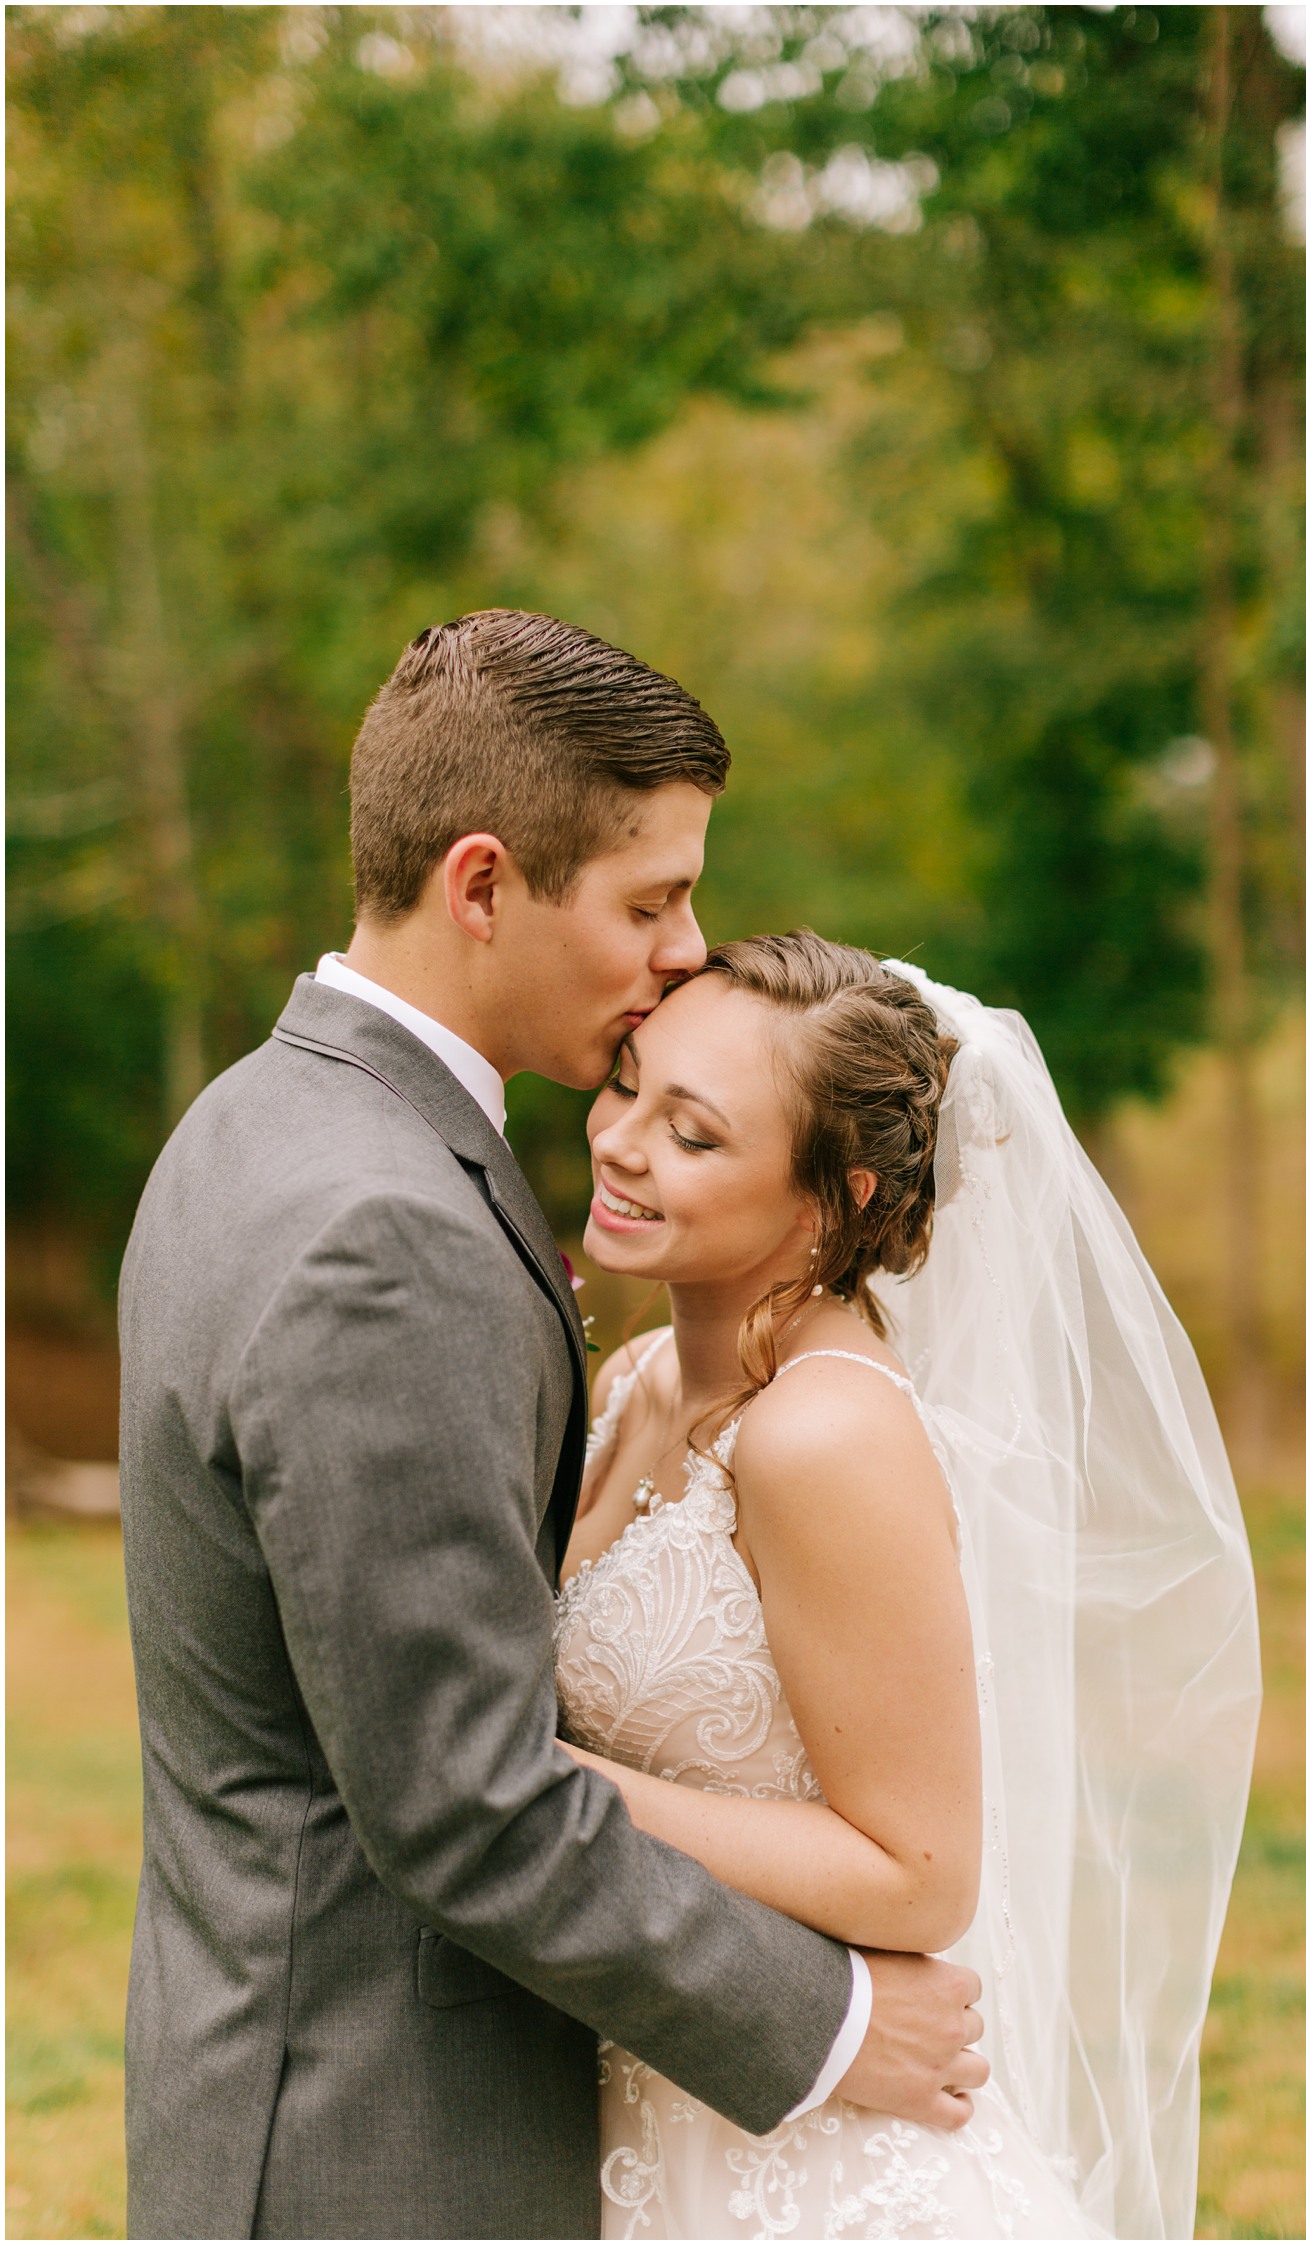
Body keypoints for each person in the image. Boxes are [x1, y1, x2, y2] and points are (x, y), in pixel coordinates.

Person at [117, 614, 986, 2242]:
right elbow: (466, 1797)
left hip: (273, 2072)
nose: (685, 944)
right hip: (371, 2139)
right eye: (651, 899)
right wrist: (837, 2021)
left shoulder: (251, 1123)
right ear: (482, 884)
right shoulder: (387, 1233)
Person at [556, 932, 1262, 2240]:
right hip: (656, 2094)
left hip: (818, 2158)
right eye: (628, 1082)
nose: (619, 1140)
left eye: (694, 1134)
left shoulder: (824, 1434)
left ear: (833, 1200)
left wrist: (547, 1788)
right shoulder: (633, 1380)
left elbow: (922, 1872)